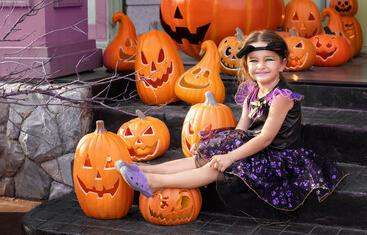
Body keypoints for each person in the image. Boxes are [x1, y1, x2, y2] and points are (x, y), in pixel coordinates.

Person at [115, 30, 348, 219]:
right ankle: (145, 169)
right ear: (247, 66)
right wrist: (217, 146)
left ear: (283, 64)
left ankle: (156, 182)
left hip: (277, 157)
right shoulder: (252, 93)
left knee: (218, 167)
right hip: (255, 147)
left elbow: (265, 138)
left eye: (269, 59)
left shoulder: (281, 98)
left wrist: (229, 157)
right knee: (206, 156)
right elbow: (240, 131)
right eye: (254, 61)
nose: (261, 66)